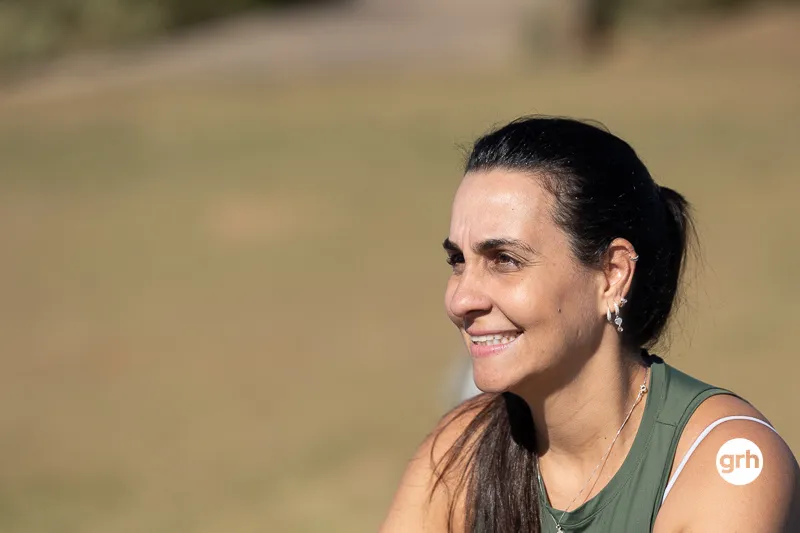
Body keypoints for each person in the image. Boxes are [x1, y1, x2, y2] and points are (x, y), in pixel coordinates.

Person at [380, 116, 800, 532]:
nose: (460, 300)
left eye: (505, 260)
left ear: (611, 275)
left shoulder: (731, 460)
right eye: (458, 261)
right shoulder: (460, 450)